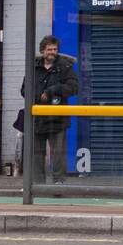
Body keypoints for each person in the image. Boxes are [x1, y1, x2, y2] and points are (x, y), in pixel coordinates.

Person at [21, 35, 80, 182]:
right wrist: (37, 95)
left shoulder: (65, 67)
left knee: (58, 154)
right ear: (42, 50)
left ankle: (59, 183)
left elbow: (73, 88)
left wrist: (52, 90)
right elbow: (24, 90)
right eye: (49, 49)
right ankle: (37, 185)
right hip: (37, 117)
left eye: (55, 49)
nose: (52, 52)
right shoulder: (33, 66)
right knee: (36, 154)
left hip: (57, 118)